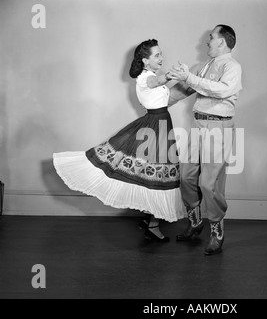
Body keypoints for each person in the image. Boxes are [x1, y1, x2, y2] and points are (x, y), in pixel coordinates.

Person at [53, 39, 184, 242]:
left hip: (160, 124)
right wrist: (169, 75)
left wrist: (191, 83)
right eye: (157, 55)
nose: (161, 58)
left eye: (161, 54)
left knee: (155, 174)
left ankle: (151, 222)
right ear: (145, 61)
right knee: (156, 173)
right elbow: (155, 82)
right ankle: (153, 225)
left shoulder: (153, 78)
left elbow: (171, 98)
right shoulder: (144, 78)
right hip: (154, 127)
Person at [167, 25, 242, 255]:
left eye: (211, 38)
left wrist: (190, 77)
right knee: (186, 176)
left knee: (209, 184)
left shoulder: (232, 67)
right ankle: (195, 222)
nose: (206, 42)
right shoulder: (204, 66)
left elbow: (220, 90)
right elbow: (181, 90)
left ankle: (217, 232)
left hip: (219, 127)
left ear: (222, 42)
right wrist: (155, 101)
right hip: (199, 125)